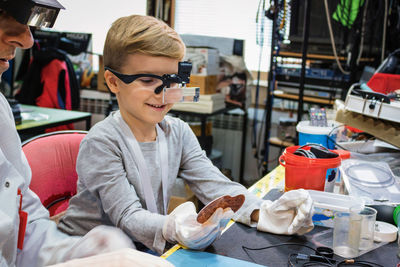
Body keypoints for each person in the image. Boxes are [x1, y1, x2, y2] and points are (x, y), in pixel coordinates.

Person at [58, 14, 314, 255]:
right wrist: (171, 227)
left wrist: (264, 213)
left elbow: (215, 185)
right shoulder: (102, 142)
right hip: (85, 250)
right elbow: (127, 215)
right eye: (147, 81)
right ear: (113, 82)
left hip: (136, 249)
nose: (162, 93)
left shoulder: (177, 132)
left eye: (171, 80)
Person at [0, 1, 174, 266]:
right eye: (6, 16)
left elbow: (23, 227)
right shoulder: (104, 139)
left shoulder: (1, 110)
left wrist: (79, 252)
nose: (26, 40)